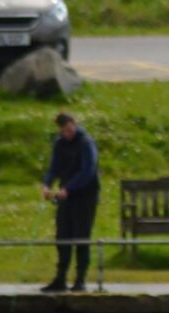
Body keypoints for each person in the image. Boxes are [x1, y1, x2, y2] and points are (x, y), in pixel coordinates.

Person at [40, 112, 101, 293]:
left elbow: (88, 170)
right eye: (63, 131)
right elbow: (54, 167)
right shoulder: (59, 143)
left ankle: (80, 280)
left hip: (85, 196)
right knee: (62, 237)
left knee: (81, 237)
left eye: (69, 129)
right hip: (65, 196)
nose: (67, 133)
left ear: (74, 124)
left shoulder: (86, 143)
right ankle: (60, 278)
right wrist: (47, 185)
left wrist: (69, 188)